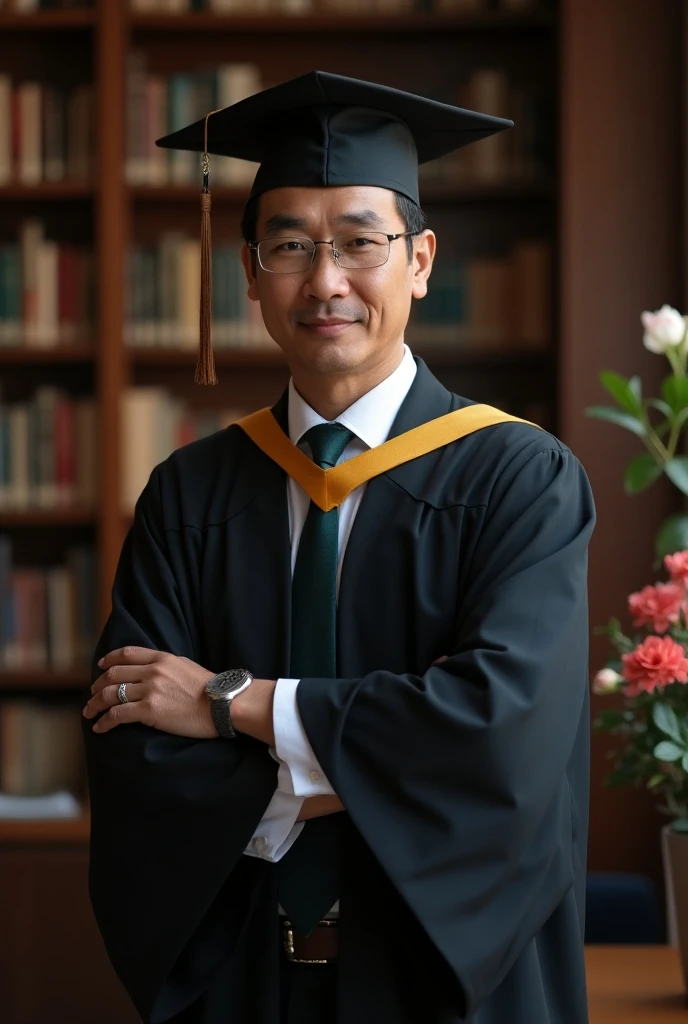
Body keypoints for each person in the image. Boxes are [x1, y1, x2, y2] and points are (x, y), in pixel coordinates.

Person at [81, 70, 596, 1024]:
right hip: (242, 987)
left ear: (421, 260)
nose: (326, 280)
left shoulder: (521, 480)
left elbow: (499, 738)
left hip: (448, 992)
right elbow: (130, 750)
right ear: (247, 273)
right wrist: (379, 770)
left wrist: (230, 705)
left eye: (361, 242)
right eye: (290, 245)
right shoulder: (187, 493)